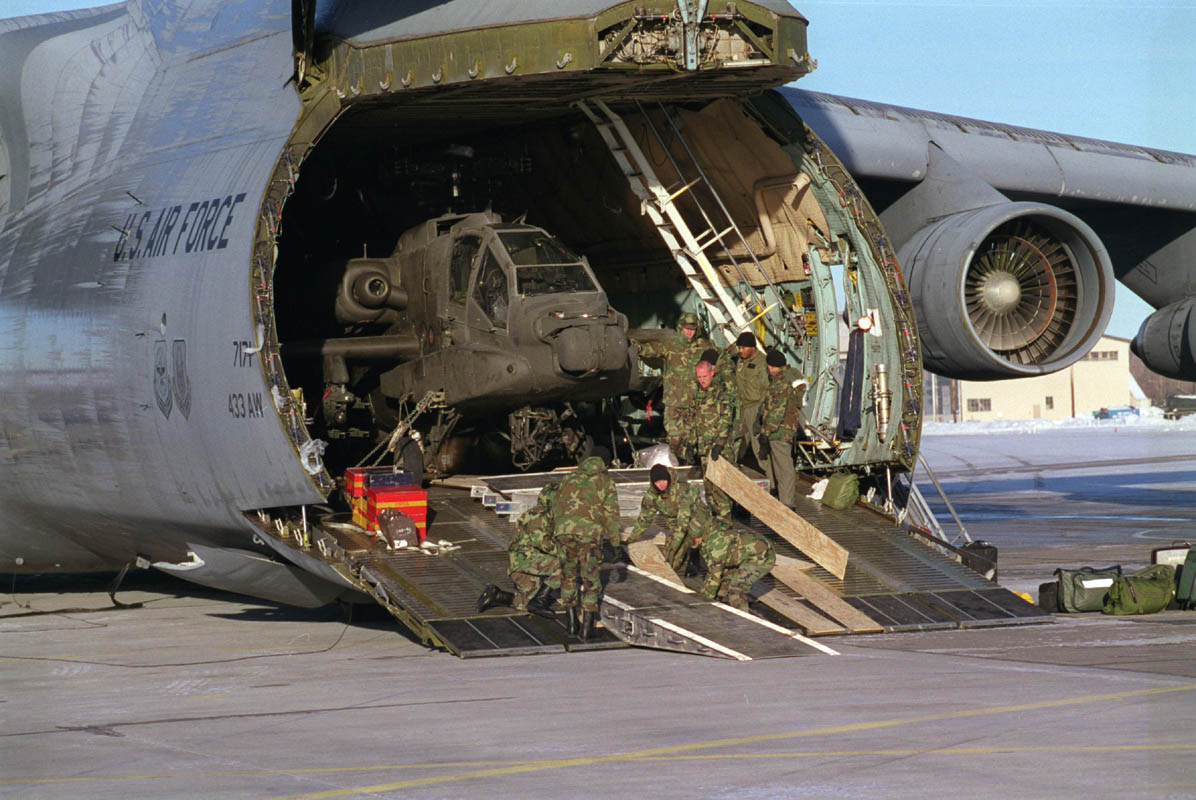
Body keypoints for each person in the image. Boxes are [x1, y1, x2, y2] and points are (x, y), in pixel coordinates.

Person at [552, 455, 622, 640]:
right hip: (588, 534)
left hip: (563, 533)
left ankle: (571, 624)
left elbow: (555, 504)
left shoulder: (568, 478)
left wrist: (558, 530)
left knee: (568, 576)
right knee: (590, 580)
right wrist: (615, 543)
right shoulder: (605, 482)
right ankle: (587, 629)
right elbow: (611, 515)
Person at [634, 312, 713, 459]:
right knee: (675, 439)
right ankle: (678, 462)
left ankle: (691, 464)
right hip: (674, 403)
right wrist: (637, 347)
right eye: (686, 328)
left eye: (693, 329)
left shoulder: (703, 346)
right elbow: (653, 349)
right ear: (680, 327)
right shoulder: (670, 345)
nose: (689, 332)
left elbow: (720, 361)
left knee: (694, 440)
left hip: (694, 402)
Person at [476, 482, 561, 618]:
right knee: (566, 564)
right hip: (526, 561)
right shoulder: (539, 515)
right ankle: (540, 600)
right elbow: (543, 543)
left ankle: (497, 596)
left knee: (524, 605)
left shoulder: (542, 514)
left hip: (523, 563)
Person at [678, 349, 738, 521]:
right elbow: (694, 421)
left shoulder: (721, 392)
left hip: (719, 448)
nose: (702, 380)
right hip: (704, 448)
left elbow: (726, 420)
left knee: (720, 488)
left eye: (704, 376)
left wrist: (720, 444)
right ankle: (717, 518)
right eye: (699, 377)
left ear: (712, 373)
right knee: (709, 487)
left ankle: (725, 520)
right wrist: (691, 444)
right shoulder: (698, 394)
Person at [626, 463, 709, 574]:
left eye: (663, 480)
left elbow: (683, 523)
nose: (661, 485)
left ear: (668, 479)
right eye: (657, 482)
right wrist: (631, 541)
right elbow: (644, 520)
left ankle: (695, 555)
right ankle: (685, 549)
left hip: (696, 519)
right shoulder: (652, 496)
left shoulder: (682, 491)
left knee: (693, 536)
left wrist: (673, 547)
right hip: (676, 524)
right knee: (671, 564)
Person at [756, 349, 806, 507]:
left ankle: (787, 504)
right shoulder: (793, 375)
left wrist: (765, 431)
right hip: (789, 427)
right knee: (782, 466)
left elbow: (776, 411)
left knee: (783, 469)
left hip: (779, 430)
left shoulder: (780, 382)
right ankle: (781, 497)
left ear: (771, 366)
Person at [698, 524, 776, 611]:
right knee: (726, 580)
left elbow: (715, 578)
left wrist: (703, 600)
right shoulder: (710, 538)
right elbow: (716, 572)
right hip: (749, 553)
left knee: (736, 588)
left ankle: (742, 615)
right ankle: (724, 604)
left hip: (762, 557)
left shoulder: (715, 548)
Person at [730, 331, 769, 470]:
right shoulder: (741, 360)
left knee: (758, 447)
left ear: (753, 347)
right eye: (739, 347)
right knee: (736, 443)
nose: (740, 350)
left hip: (755, 408)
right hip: (741, 407)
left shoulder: (762, 363)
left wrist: (761, 413)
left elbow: (767, 389)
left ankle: (770, 477)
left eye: (743, 348)